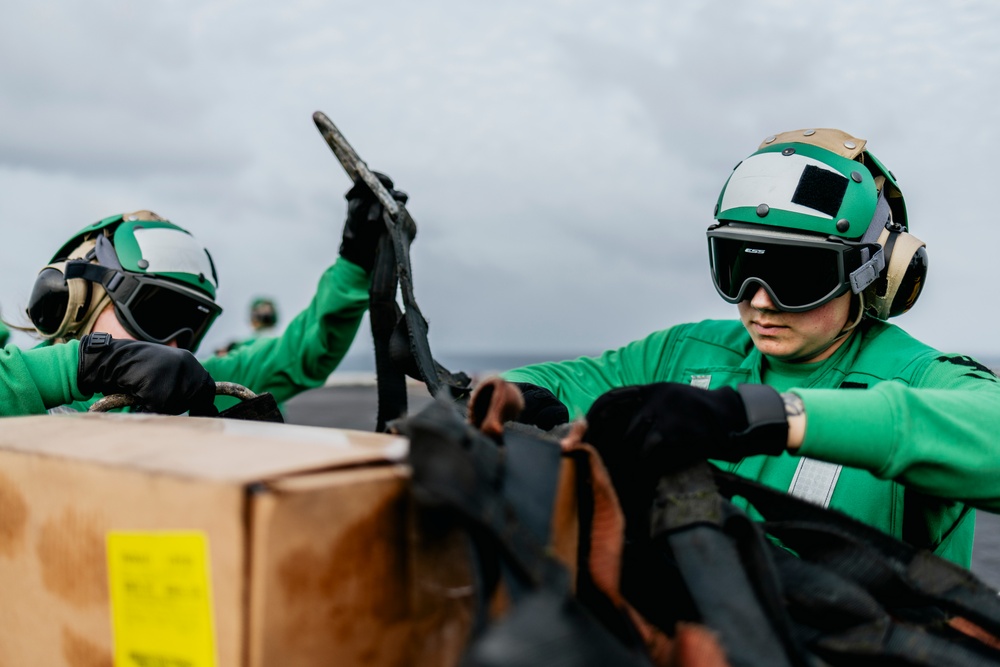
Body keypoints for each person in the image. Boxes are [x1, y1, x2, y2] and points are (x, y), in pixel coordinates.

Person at [502, 128, 1000, 568]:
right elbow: (544, 383)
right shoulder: (683, 352)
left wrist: (767, 417)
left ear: (872, 271)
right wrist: (522, 402)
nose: (759, 302)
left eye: (796, 275)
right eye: (740, 264)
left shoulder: (919, 377)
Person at [19, 173, 407, 413]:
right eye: (154, 315)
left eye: (189, 329)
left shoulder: (197, 386)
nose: (172, 348)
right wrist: (82, 367)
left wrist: (356, 258)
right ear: (76, 303)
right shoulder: (24, 387)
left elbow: (305, 350)